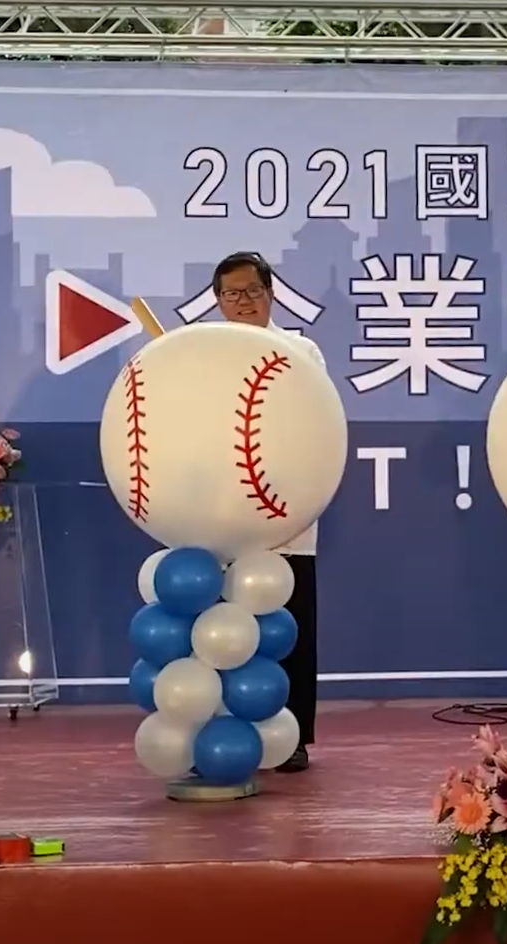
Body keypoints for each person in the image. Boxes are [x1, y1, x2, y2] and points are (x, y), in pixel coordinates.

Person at [212, 251, 319, 773]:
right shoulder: (203, 355)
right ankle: (225, 730)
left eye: (253, 291)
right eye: (232, 293)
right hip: (220, 513)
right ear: (218, 301)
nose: (244, 301)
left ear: (270, 294)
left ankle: (291, 736)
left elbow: (312, 421)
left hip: (284, 511)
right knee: (225, 628)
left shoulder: (300, 350)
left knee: (288, 628)